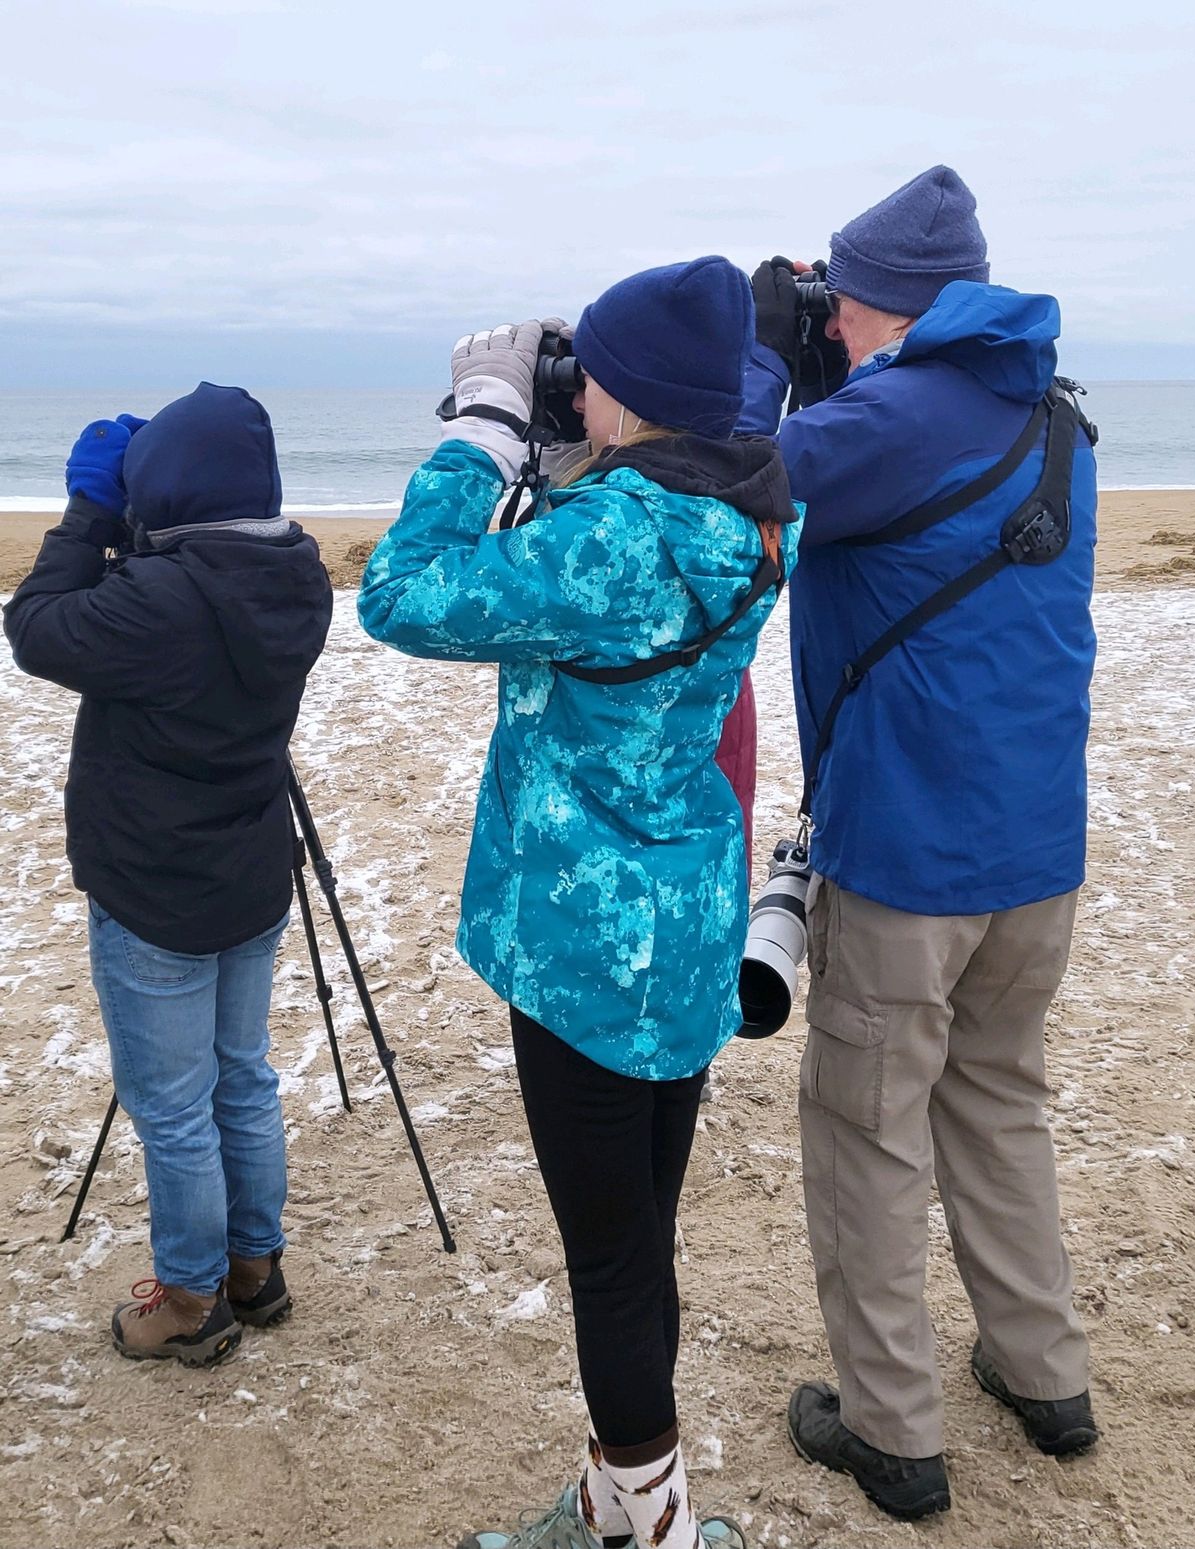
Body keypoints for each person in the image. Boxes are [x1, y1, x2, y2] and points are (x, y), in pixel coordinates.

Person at [359, 257, 799, 1549]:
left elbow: (401, 592)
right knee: (638, 1239)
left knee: (610, 1265)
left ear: (638, 396)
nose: (575, 383)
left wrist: (489, 432)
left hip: (586, 951)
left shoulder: (612, 542)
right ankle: (624, 1509)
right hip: (689, 928)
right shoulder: (759, 510)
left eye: (590, 370)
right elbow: (614, 566)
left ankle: (647, 1534)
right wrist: (571, 455)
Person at [739, 166, 1100, 1520]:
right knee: (1000, 1101)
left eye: (838, 306)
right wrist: (829, 365)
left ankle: (892, 1430)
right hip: (1034, 853)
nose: (826, 325)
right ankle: (1043, 1374)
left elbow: (738, 483)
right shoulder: (1051, 416)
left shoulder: (883, 412)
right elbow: (897, 469)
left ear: (876, 303)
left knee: (866, 1127)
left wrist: (756, 361)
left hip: (904, 860)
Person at [3, 384, 332, 1366]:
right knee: (242, 1079)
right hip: (249, 869)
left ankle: (190, 1299)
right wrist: (147, 511)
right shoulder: (296, 572)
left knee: (176, 1107)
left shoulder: (159, 600)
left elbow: (35, 627)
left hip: (156, 889)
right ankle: (254, 1268)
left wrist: (92, 512)